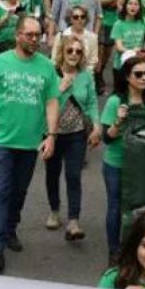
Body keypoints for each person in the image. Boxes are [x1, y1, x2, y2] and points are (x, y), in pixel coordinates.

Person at [0, 15, 60, 275]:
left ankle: (10, 229)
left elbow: (52, 102)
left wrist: (51, 135)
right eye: (30, 35)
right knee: (1, 191)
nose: (35, 39)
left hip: (30, 142)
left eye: (38, 35)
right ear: (18, 35)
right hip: (0, 140)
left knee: (19, 192)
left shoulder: (46, 67)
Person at [101, 54, 145, 265]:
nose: (144, 78)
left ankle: (134, 246)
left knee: (140, 206)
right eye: (139, 74)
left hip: (142, 164)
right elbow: (107, 138)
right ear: (127, 77)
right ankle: (114, 251)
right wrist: (119, 120)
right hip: (116, 162)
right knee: (115, 206)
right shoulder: (115, 101)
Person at [45, 34, 100, 242]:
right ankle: (54, 210)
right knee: (52, 173)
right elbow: (45, 102)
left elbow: (92, 101)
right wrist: (61, 88)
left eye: (78, 51)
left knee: (73, 175)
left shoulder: (85, 76)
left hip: (77, 133)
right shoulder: (51, 73)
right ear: (62, 53)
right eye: (70, 51)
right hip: (52, 133)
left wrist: (96, 126)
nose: (74, 55)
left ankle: (74, 220)